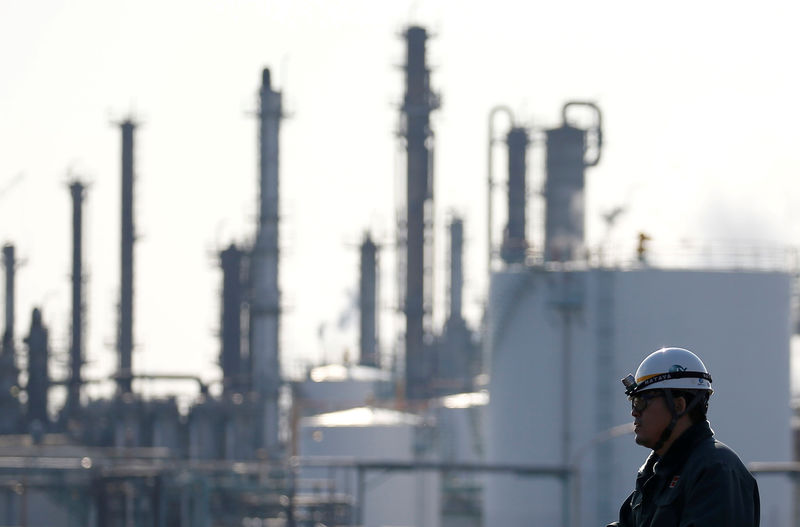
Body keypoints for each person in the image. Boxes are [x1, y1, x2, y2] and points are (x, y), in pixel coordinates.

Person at [607, 347, 760, 527]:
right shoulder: (654, 475)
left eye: (641, 402)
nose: (634, 412)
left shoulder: (717, 469)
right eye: (633, 402)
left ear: (678, 405)